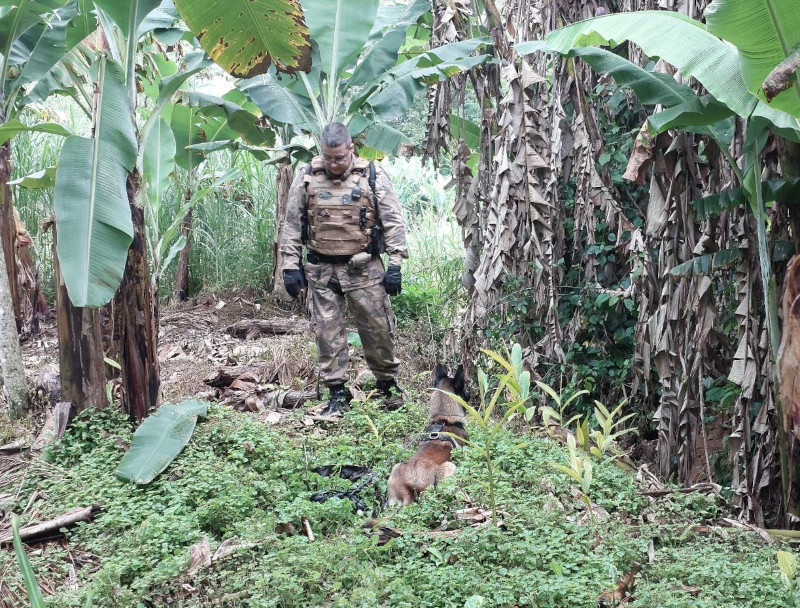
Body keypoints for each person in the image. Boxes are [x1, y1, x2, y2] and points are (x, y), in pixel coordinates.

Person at [280, 122, 408, 415]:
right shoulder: (308, 176)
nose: (335, 164)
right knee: (327, 334)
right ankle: (337, 392)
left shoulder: (372, 176)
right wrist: (290, 265)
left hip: (364, 269)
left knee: (378, 331)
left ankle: (386, 386)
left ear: (351, 148)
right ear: (321, 152)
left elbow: (393, 220)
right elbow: (290, 224)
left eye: (340, 157)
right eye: (329, 158)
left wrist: (396, 264)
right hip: (322, 270)